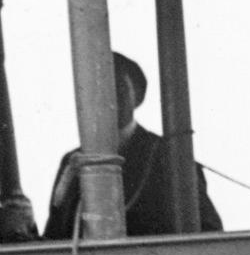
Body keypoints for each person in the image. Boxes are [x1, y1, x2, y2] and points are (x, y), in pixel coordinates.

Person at [44, 52, 216, 238]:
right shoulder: (72, 161)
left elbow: (208, 234)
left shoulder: (168, 157)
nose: (106, 98)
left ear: (138, 97)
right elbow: (54, 235)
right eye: (96, 89)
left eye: (118, 88)